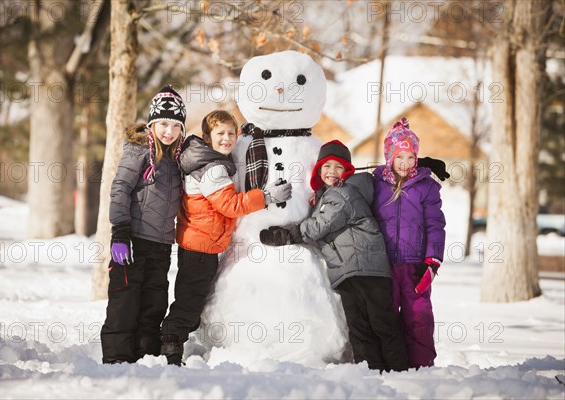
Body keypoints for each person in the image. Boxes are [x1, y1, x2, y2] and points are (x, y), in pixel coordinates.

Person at [259, 140, 409, 372]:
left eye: (338, 167)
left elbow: (320, 226)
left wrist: (286, 235)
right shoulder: (326, 198)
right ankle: (371, 371)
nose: (331, 172)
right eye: (326, 166)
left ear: (347, 171)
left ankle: (401, 371)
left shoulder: (344, 194)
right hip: (347, 272)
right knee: (359, 327)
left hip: (368, 270)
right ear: (319, 169)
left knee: (382, 323)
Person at [160, 110, 293, 366]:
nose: (227, 138)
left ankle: (171, 339)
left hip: (201, 243)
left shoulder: (210, 161)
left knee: (192, 296)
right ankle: (170, 345)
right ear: (207, 137)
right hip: (201, 246)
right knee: (190, 301)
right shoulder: (212, 169)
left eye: (231, 133)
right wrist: (267, 196)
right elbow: (230, 205)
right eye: (220, 133)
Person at [100, 85, 186, 364]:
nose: (169, 132)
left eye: (175, 125)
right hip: (133, 240)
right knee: (125, 302)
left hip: (160, 245)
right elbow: (119, 189)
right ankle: (117, 359)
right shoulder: (138, 151)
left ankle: (146, 356)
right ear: (151, 124)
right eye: (163, 124)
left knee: (154, 304)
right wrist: (120, 233)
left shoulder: (176, 159)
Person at [372, 117, 446, 369]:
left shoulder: (427, 187)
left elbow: (435, 225)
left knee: (419, 317)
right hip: (383, 266)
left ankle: (421, 367)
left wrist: (432, 262)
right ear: (389, 157)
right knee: (387, 316)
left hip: (416, 266)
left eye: (410, 157)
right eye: (399, 157)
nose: (404, 164)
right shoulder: (376, 184)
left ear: (416, 158)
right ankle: (390, 366)